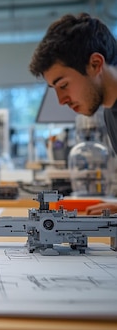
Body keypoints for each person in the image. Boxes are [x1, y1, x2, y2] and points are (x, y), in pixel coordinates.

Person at [29, 12, 117, 215]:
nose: (61, 101)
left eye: (64, 85)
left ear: (95, 64)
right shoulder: (110, 113)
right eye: (55, 89)